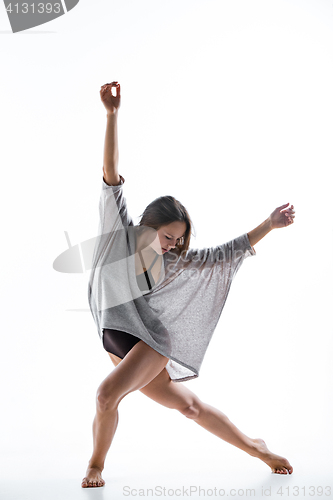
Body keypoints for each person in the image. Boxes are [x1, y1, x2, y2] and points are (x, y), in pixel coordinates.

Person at [81, 81, 295, 488]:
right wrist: (112, 115)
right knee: (191, 408)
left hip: (149, 343)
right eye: (167, 237)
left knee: (106, 396)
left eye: (179, 239)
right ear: (148, 225)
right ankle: (257, 447)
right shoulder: (116, 232)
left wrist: (269, 224)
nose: (173, 245)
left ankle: (95, 466)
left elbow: (222, 254)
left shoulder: (172, 261)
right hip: (116, 340)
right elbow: (111, 176)